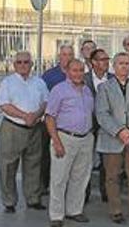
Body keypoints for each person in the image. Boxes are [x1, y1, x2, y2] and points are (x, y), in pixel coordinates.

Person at [96, 52, 129, 224]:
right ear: (114, 65)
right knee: (112, 177)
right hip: (113, 140)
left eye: (127, 64)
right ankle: (116, 211)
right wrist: (120, 131)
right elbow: (102, 114)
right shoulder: (104, 88)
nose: (124, 67)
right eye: (121, 63)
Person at [0, 50, 49, 213]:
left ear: (32, 64)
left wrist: (36, 115)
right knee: (8, 166)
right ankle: (9, 201)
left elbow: (46, 102)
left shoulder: (39, 82)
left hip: (35, 128)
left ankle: (33, 198)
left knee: (34, 164)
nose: (23, 65)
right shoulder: (8, 82)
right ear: (14, 65)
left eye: (26, 62)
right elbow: (4, 105)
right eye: (19, 62)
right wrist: (25, 116)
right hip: (13, 128)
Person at [45, 59, 94, 226]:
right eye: (75, 70)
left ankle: (74, 210)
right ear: (67, 71)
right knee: (59, 179)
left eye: (81, 70)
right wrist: (56, 142)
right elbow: (50, 117)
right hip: (65, 138)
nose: (78, 73)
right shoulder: (59, 90)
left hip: (85, 139)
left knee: (80, 178)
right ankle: (57, 216)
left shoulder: (87, 90)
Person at [41, 44, 75, 193]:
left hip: (69, 125)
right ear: (59, 56)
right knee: (47, 155)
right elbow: (43, 98)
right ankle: (44, 185)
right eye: (64, 54)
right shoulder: (49, 75)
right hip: (51, 121)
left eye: (69, 55)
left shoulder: (77, 74)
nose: (67, 57)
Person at [84, 48, 113, 203]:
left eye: (107, 59)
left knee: (107, 162)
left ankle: (106, 193)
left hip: (108, 127)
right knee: (86, 160)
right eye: (102, 59)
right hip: (88, 125)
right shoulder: (83, 79)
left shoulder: (113, 79)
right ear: (93, 62)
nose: (106, 62)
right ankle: (84, 192)